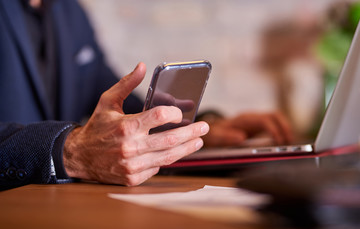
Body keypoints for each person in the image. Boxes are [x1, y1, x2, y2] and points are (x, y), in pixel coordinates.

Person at [0, 0, 292, 191]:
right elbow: (78, 145)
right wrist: (69, 150)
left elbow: (112, 102)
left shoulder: (70, 12)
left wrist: (195, 131)